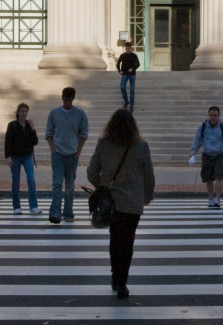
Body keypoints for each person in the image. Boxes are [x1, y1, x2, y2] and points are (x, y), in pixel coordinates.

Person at [87, 107, 155, 300]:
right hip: (133, 202)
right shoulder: (141, 146)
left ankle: (115, 276)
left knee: (114, 239)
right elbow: (149, 174)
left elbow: (91, 172)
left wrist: (102, 186)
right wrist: (148, 194)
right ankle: (123, 282)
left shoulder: (103, 144)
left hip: (111, 200)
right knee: (128, 242)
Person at [45, 87, 89, 224]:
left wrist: (78, 152)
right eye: (65, 100)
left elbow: (83, 134)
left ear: (73, 99)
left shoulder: (80, 114)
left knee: (69, 186)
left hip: (72, 155)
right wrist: (53, 150)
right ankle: (55, 213)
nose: (67, 102)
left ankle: (68, 212)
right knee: (57, 184)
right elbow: (49, 133)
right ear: (62, 98)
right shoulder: (54, 113)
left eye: (69, 100)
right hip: (58, 154)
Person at [189, 105, 223, 208]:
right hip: (207, 154)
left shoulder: (222, 127)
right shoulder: (203, 126)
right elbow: (197, 139)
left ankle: (217, 198)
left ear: (219, 116)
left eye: (215, 115)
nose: (213, 117)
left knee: (219, 176)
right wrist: (193, 151)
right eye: (211, 115)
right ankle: (210, 199)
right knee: (208, 179)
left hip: (219, 154)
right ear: (208, 115)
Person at [4, 103, 41, 214]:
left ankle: (33, 206)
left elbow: (35, 142)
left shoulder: (29, 125)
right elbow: (7, 141)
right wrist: (8, 156)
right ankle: (17, 207)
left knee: (31, 180)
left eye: (26, 111)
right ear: (18, 112)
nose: (24, 113)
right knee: (16, 181)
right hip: (15, 157)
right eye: (22, 111)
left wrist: (33, 129)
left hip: (27, 156)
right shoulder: (12, 125)